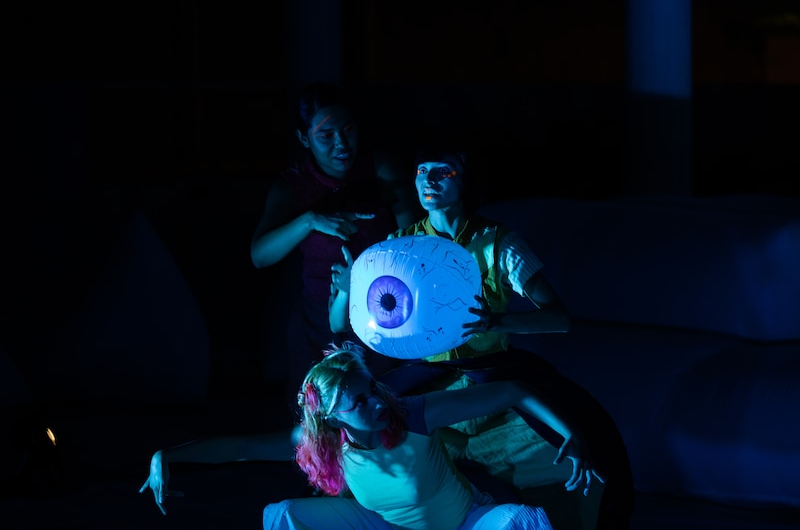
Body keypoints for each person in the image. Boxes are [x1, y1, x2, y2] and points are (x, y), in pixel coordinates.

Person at [328, 145, 634, 529]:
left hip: (488, 373)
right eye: (423, 170)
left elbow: (559, 319)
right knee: (368, 447)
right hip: (426, 379)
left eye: (444, 172)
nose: (429, 179)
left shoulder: (496, 243)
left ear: (467, 183)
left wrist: (498, 322)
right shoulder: (400, 245)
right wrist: (346, 288)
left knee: (573, 453)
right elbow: (343, 323)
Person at [141, 341, 600, 529]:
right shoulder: (320, 443)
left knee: (521, 521)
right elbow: (239, 448)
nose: (377, 403)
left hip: (462, 523)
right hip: (386, 527)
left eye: (372, 390)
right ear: (335, 420)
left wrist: (572, 433)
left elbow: (512, 391)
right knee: (283, 515)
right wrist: (168, 455)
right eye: (359, 403)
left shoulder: (413, 414)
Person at [250, 81, 419, 403]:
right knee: (317, 411)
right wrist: (310, 220)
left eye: (348, 130)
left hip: (384, 309)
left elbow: (415, 241)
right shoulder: (294, 185)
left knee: (384, 405)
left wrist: (365, 278)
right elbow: (259, 255)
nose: (341, 143)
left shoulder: (380, 168)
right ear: (304, 138)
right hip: (317, 319)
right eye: (326, 136)